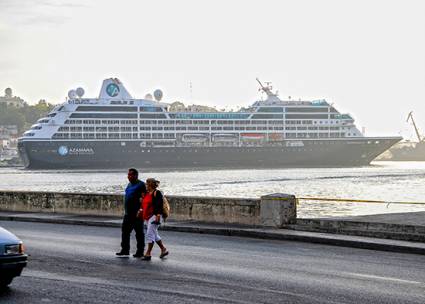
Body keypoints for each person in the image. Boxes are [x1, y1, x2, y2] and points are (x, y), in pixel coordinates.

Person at [116, 168, 146, 258]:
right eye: (128, 175)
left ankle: (140, 251)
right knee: (125, 232)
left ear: (136, 175)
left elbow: (144, 199)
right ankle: (125, 250)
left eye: (130, 175)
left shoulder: (141, 185)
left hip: (137, 214)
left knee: (139, 233)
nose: (128, 177)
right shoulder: (129, 184)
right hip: (128, 213)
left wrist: (141, 210)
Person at [140, 178, 168, 261]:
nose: (145, 185)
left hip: (155, 216)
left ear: (150, 185)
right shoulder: (147, 193)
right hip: (148, 217)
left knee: (149, 233)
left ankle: (148, 253)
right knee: (154, 234)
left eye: (147, 184)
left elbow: (159, 205)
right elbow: (144, 205)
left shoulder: (157, 193)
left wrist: (158, 215)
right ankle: (163, 249)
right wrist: (140, 210)